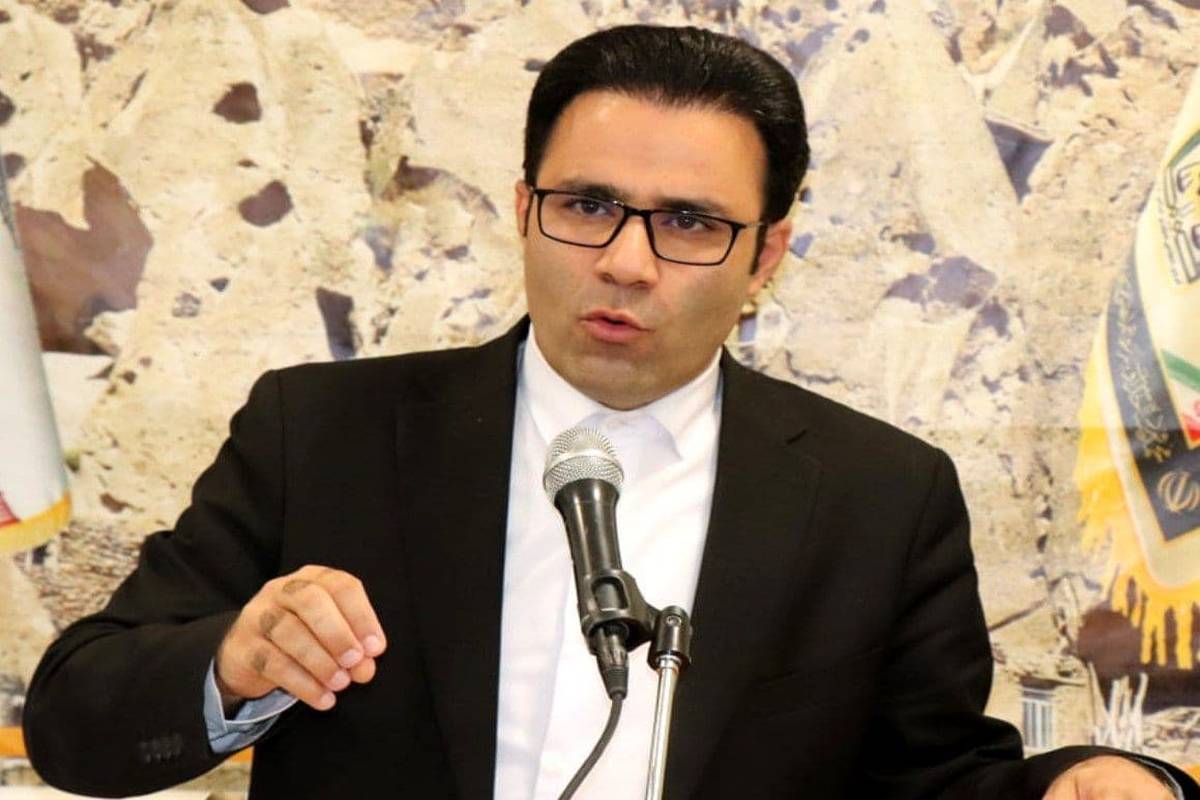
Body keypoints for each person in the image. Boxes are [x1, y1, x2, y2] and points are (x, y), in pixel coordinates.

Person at [22, 24, 1196, 800]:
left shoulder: (878, 495)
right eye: (588, 204)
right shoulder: (322, 432)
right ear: (523, 208)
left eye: (689, 222)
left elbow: (929, 778)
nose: (627, 261)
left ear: (767, 254)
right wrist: (234, 663)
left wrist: (1073, 781)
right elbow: (79, 717)